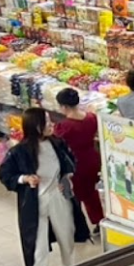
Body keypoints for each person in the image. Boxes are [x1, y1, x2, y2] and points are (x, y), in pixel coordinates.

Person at [0, 107, 91, 266]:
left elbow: (70, 163)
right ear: (36, 126)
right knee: (38, 249)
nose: (51, 124)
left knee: (67, 240)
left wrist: (66, 178)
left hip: (58, 197)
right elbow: (5, 174)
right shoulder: (19, 152)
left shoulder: (57, 143)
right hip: (34, 203)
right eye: (46, 121)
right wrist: (24, 179)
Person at [54, 88, 104, 233]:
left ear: (64, 106)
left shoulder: (64, 126)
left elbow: (57, 143)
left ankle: (79, 227)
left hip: (74, 163)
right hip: (92, 159)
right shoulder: (91, 118)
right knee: (90, 193)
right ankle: (99, 221)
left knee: (74, 196)